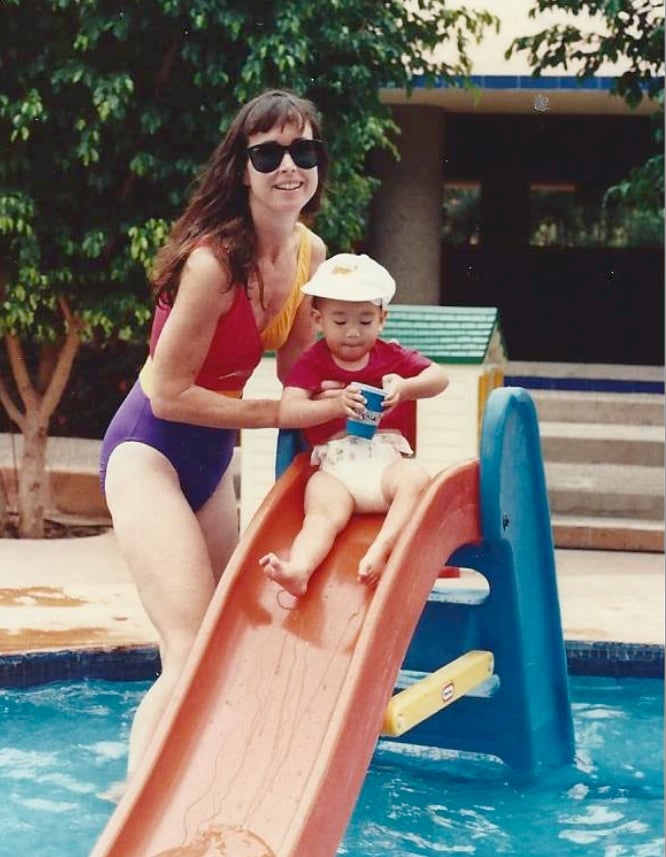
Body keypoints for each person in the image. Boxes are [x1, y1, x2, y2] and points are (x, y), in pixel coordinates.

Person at [99, 89, 328, 778]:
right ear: (242, 167)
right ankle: (137, 814)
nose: (289, 166)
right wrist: (281, 415)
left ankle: (208, 779)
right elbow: (169, 394)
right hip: (149, 450)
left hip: (209, 461)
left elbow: (297, 370)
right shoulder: (211, 265)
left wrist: (366, 377)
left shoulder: (310, 253)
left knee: (230, 637)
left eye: (303, 151)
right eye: (269, 153)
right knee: (190, 642)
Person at [259, 253, 449, 597]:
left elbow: (439, 378)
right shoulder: (312, 362)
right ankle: (299, 569)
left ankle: (382, 549)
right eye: (340, 320)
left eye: (364, 321)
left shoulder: (391, 355)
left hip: (385, 464)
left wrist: (406, 388)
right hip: (336, 469)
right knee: (320, 513)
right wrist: (334, 404)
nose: (352, 332)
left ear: (382, 319)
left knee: (415, 480)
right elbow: (289, 409)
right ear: (318, 320)